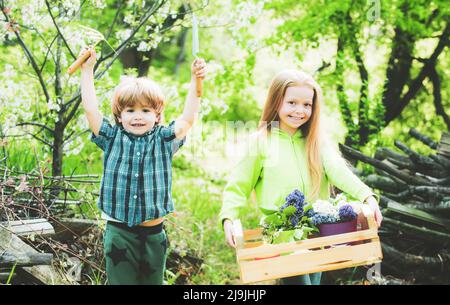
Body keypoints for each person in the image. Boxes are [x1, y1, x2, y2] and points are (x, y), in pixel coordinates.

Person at [219, 69, 382, 285]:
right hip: (282, 234)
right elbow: (238, 184)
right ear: (276, 102)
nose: (300, 111)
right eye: (292, 103)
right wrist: (229, 217)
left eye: (307, 105)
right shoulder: (261, 141)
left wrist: (366, 196)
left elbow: (338, 171)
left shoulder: (316, 141)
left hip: (317, 231)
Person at [79, 47, 206, 285]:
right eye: (130, 110)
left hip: (153, 234)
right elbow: (90, 109)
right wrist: (87, 71)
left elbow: (188, 119)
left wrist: (195, 81)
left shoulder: (164, 139)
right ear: (119, 116)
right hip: (119, 233)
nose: (138, 116)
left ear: (157, 116)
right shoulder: (111, 137)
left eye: (146, 110)